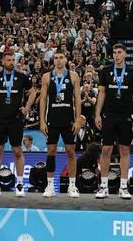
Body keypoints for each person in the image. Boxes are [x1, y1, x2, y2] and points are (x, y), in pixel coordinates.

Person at [0, 51, 36, 197]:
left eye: (13, 60)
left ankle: (20, 184)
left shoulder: (21, 77)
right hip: (0, 119)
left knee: (17, 151)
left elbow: (32, 92)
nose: (11, 62)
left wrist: (27, 107)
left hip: (16, 119)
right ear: (3, 61)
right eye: (8, 60)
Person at [94, 44, 133, 199]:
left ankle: (123, 186)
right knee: (106, 150)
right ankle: (104, 186)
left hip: (126, 116)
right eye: (114, 52)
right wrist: (97, 114)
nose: (116, 55)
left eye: (119, 52)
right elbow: (101, 94)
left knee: (124, 150)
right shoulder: (106, 71)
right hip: (109, 115)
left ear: (126, 54)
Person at [38, 49, 82, 198]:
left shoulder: (74, 76)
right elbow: (43, 100)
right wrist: (42, 121)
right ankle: (50, 186)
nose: (58, 60)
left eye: (61, 57)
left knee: (70, 151)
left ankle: (72, 185)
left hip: (68, 118)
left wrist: (77, 119)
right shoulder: (46, 76)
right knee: (51, 150)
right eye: (55, 58)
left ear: (66, 59)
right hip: (52, 118)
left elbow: (77, 99)